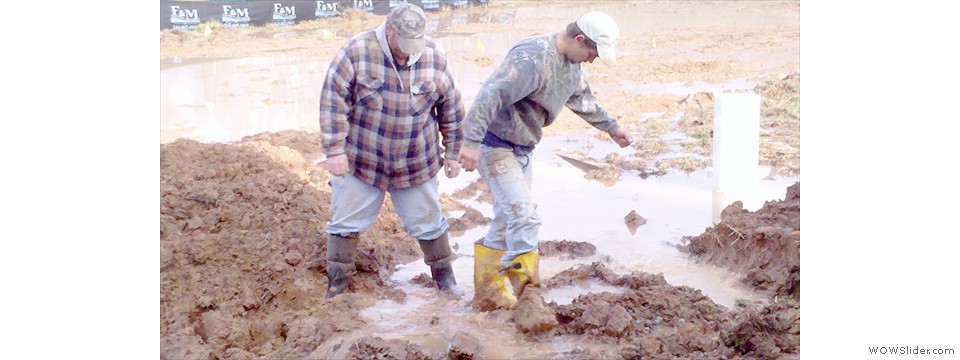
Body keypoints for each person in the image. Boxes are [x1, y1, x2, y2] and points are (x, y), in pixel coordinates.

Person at [458, 11, 634, 310]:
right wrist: (471, 142)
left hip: (522, 149)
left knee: (506, 219)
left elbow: (582, 99)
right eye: (592, 51)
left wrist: (612, 127)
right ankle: (529, 299)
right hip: (495, 145)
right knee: (524, 215)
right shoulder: (532, 59)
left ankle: (487, 294)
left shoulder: (572, 66)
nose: (593, 59)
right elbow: (490, 95)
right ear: (579, 39)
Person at [318, 3, 465, 299]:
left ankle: (445, 282)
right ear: (389, 31)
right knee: (345, 221)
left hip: (415, 162)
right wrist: (334, 150)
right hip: (363, 160)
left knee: (428, 221)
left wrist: (453, 151)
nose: (409, 52)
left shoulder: (435, 57)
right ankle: (337, 286)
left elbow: (451, 108)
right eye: (404, 44)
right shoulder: (357, 51)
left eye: (416, 45)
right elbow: (333, 102)